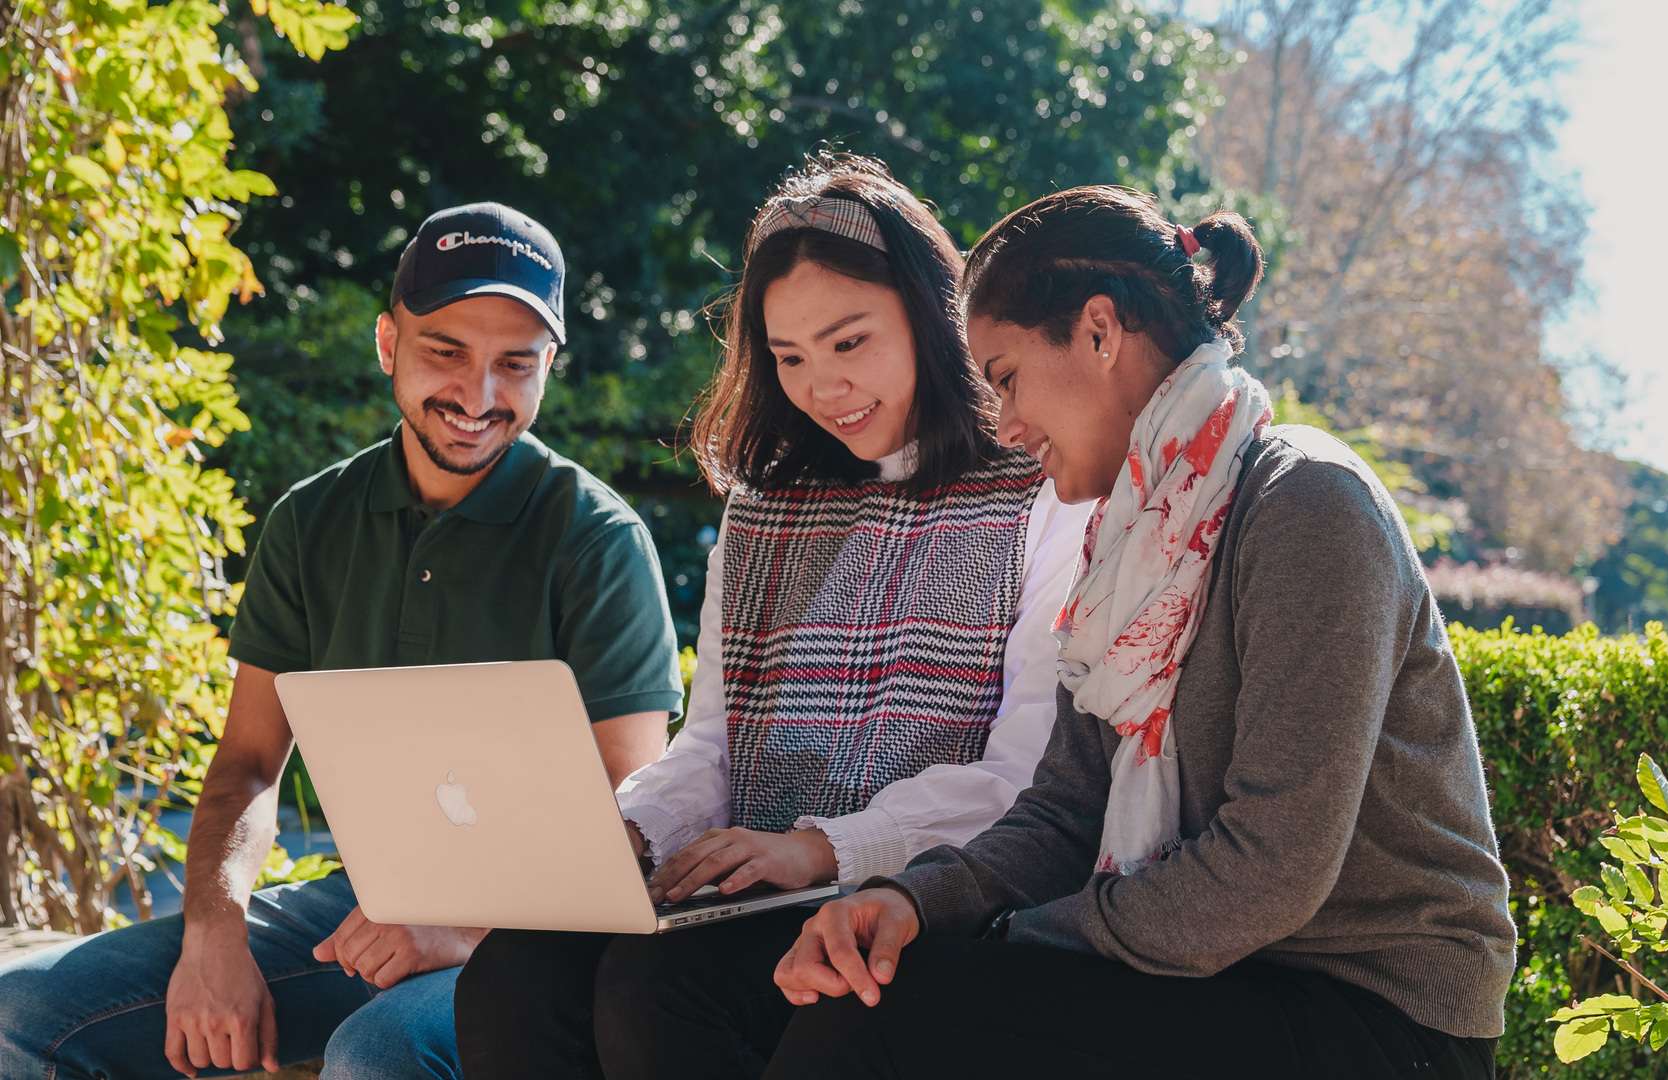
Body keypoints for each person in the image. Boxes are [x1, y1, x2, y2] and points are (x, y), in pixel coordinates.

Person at [766, 185, 1517, 1079]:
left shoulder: (1308, 505)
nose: (1005, 426)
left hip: (1376, 1017)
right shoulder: (1130, 542)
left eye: (1006, 378)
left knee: (895, 1024)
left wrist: (1016, 936)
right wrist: (914, 902)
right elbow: (1065, 811)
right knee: (861, 996)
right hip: (1220, 984)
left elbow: (1271, 868)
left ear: (1097, 332)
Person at [0, 202, 685, 1079]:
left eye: (515, 364)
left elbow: (629, 823)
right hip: (356, 912)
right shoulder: (311, 521)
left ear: (549, 367)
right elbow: (250, 761)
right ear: (387, 342)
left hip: (536, 942)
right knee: (28, 1015)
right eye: (445, 351)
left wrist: (458, 928)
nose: (478, 396)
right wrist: (217, 931)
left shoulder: (597, 538)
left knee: (380, 1051)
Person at [454, 154, 1090, 1078]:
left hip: (924, 896)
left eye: (848, 342)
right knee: (516, 970)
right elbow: (710, 743)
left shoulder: (1043, 491)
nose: (820, 385)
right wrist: (630, 832)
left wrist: (819, 849)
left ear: (930, 316)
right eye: (788, 357)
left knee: (659, 987)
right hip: (747, 891)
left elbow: (1025, 778)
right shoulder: (763, 511)